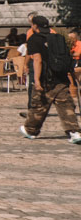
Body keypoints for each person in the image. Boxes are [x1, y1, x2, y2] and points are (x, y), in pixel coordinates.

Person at [20, 15, 81, 144]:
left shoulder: (34, 39)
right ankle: (73, 132)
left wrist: (36, 80)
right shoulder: (58, 37)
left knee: (39, 105)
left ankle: (30, 130)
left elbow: (37, 60)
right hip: (61, 77)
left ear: (35, 26)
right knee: (66, 105)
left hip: (45, 78)